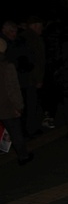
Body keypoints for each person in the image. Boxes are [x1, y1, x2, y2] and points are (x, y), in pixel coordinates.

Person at [0, 37, 34, 165]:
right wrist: (18, 106)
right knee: (15, 131)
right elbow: (13, 88)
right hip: (7, 105)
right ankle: (23, 156)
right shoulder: (7, 66)